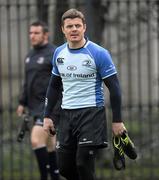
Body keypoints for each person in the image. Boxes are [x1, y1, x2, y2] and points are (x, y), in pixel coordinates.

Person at [43, 8, 126, 180]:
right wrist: (47, 116)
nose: (74, 29)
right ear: (63, 30)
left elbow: (115, 88)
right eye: (70, 26)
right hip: (66, 115)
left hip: (91, 114)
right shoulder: (59, 53)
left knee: (83, 163)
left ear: (84, 28)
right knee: (65, 168)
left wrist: (117, 121)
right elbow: (53, 86)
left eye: (77, 26)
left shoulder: (99, 53)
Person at [16, 21, 60, 180]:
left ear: (45, 35)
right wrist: (22, 102)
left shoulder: (54, 53)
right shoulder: (30, 55)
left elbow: (60, 81)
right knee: (49, 145)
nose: (32, 36)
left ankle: (44, 177)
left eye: (36, 33)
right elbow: (27, 81)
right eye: (30, 33)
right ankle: (54, 176)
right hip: (34, 107)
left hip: (48, 107)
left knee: (36, 140)